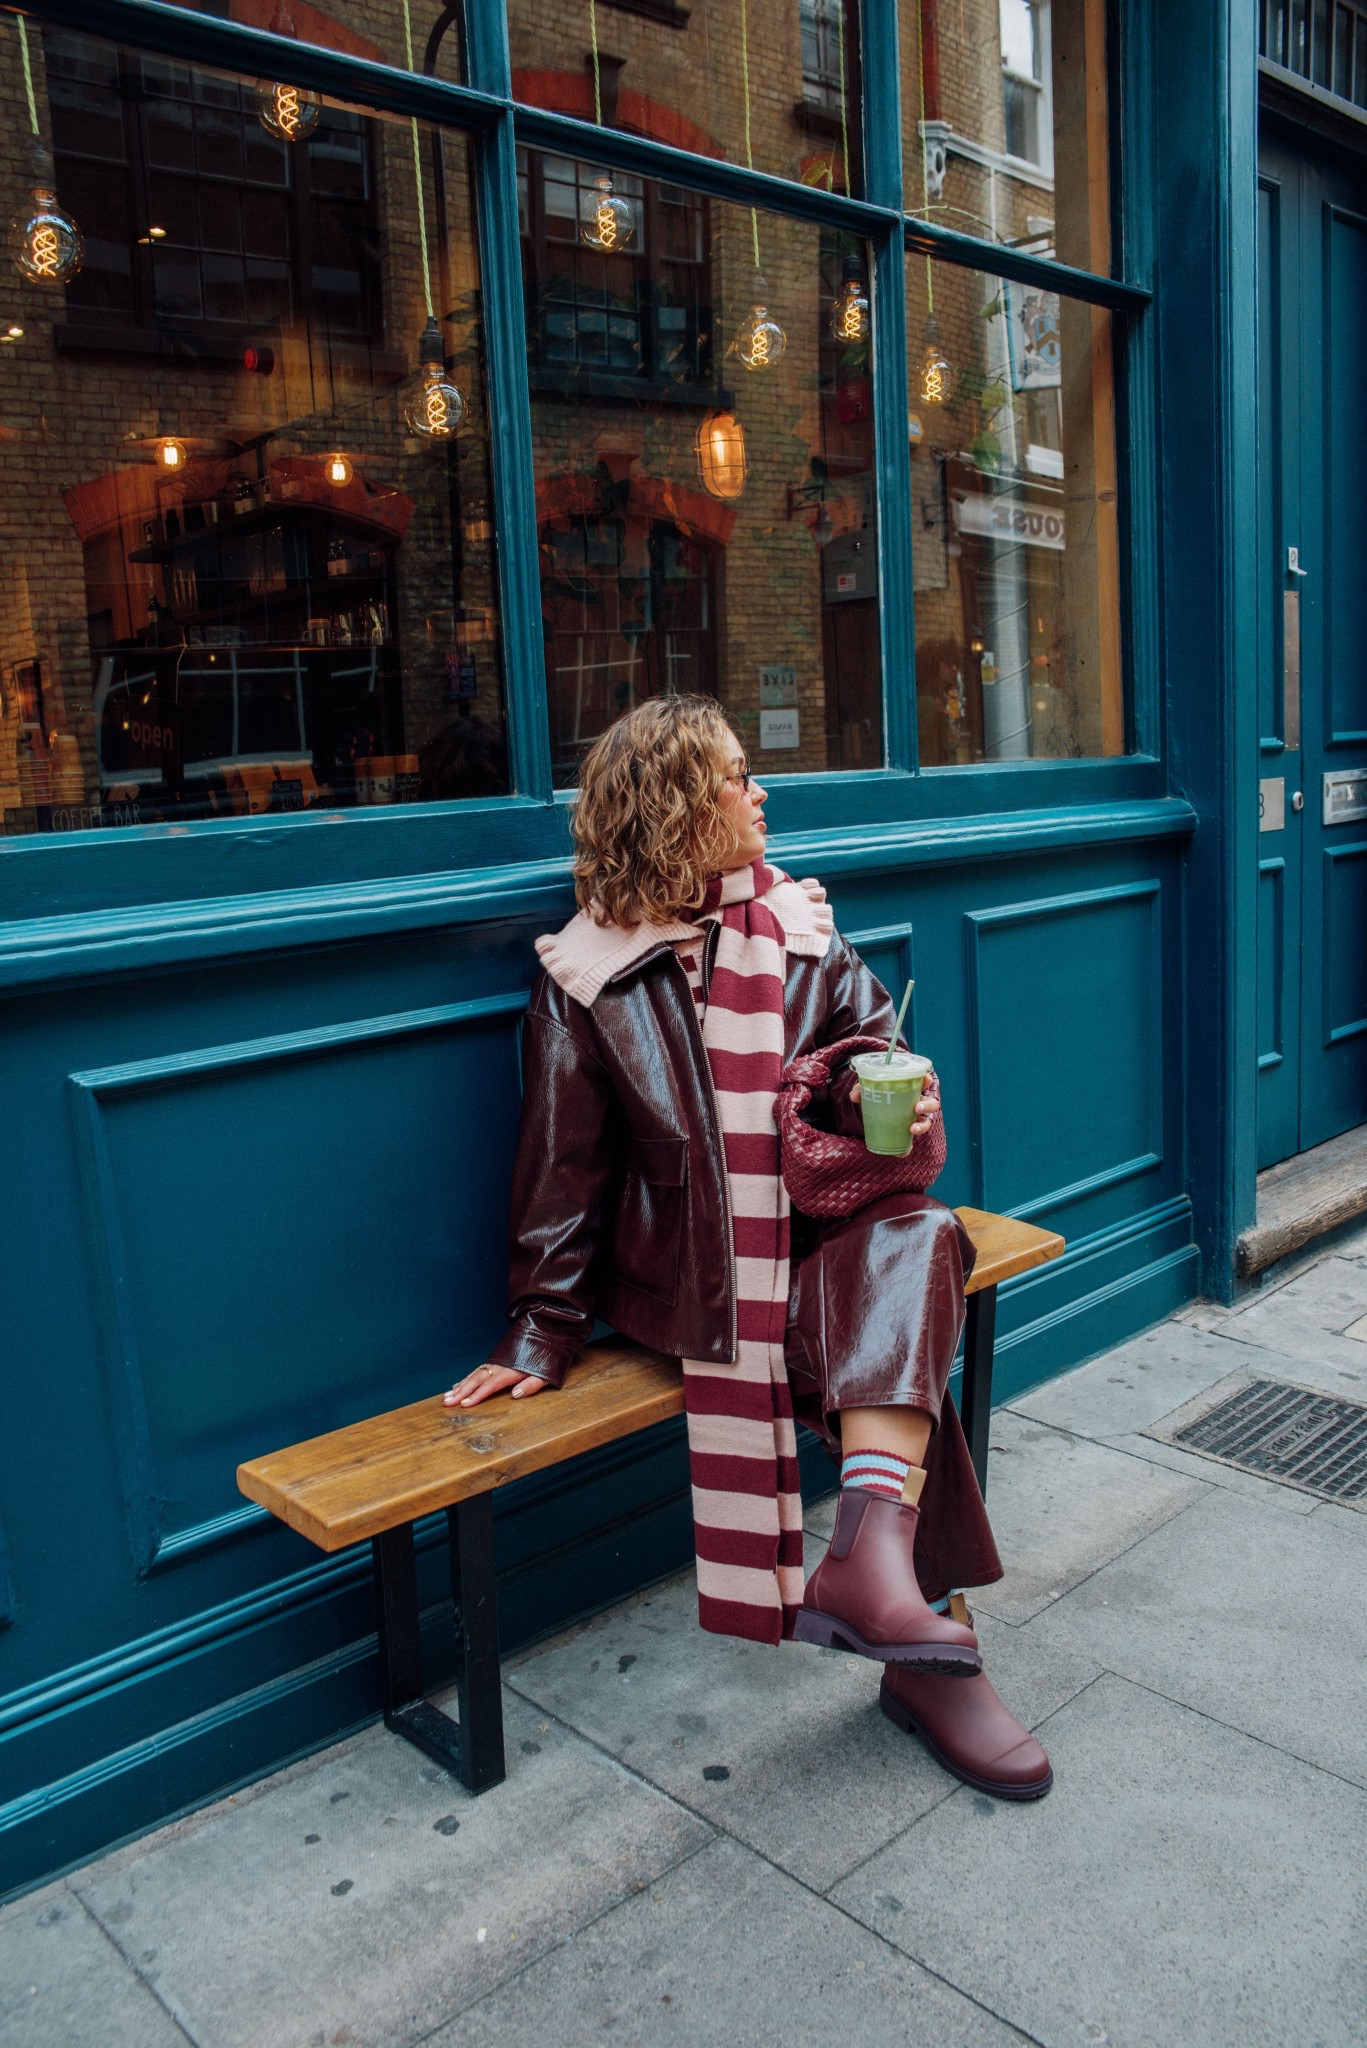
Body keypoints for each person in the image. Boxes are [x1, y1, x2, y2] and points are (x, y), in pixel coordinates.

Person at [445, 695, 1052, 1801]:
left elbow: (884, 1056)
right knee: (903, 1320)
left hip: (828, 1239)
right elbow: (559, 1172)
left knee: (918, 1234)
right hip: (698, 1284)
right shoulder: (587, 978)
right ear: (675, 808)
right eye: (734, 776)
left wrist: (905, 1104)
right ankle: (919, 1646)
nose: (759, 791)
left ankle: (871, 1561)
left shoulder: (805, 930)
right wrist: (540, 1327)